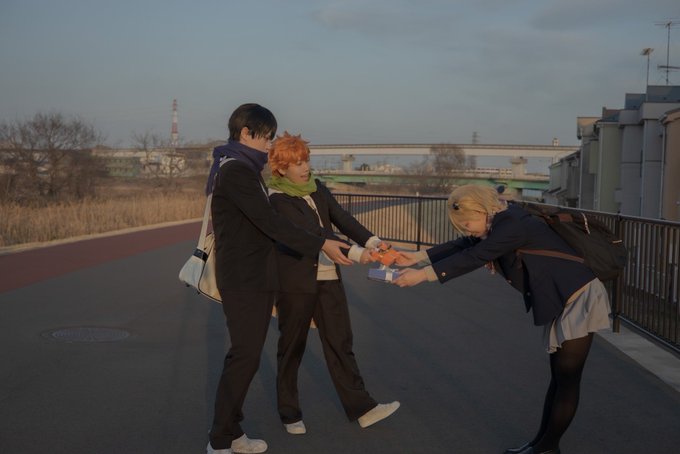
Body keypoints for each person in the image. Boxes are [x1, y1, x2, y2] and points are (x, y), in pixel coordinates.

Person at [393, 184, 611, 454]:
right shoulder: (502, 220)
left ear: (481, 211)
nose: (467, 230)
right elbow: (465, 244)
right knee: (558, 379)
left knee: (566, 378)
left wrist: (422, 275)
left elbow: (476, 255)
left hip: (579, 297)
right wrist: (418, 256)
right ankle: (541, 444)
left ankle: (547, 448)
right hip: (563, 296)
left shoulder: (511, 226)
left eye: (467, 224)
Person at [206, 104, 353, 454]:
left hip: (253, 277)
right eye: (266, 136)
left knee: (246, 356)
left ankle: (232, 432)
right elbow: (271, 223)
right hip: (245, 279)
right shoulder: (237, 171)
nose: (269, 144)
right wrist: (321, 244)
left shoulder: (239, 167)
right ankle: (219, 441)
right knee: (244, 357)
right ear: (246, 132)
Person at [266, 132, 400, 435]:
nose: (304, 168)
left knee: (340, 342)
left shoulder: (317, 188)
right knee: (292, 347)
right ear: (281, 168)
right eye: (297, 163)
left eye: (305, 160)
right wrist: (357, 253)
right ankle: (289, 413)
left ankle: (362, 408)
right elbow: (312, 232)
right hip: (295, 282)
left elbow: (342, 218)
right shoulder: (277, 199)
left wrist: (374, 242)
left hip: (328, 277)